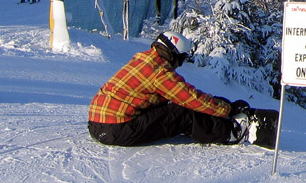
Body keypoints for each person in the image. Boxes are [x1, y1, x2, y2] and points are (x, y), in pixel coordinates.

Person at [88, 31, 251, 147]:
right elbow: (190, 99)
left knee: (166, 107)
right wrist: (227, 110)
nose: (179, 65)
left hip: (97, 125)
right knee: (182, 113)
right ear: (174, 55)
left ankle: (216, 124)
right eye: (182, 59)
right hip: (116, 129)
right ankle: (229, 133)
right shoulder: (160, 71)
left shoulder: (141, 60)